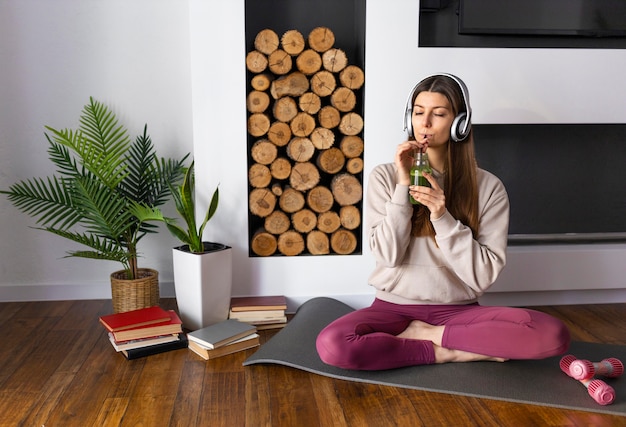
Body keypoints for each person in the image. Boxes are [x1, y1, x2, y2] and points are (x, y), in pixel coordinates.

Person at [316, 73, 570, 370]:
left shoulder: (489, 188)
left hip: (458, 312)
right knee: (333, 344)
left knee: (552, 334)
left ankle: (430, 336)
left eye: (438, 114)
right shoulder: (384, 177)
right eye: (419, 113)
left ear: (460, 124)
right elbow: (387, 256)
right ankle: (450, 351)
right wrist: (402, 187)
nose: (424, 124)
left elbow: (482, 276)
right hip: (392, 308)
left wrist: (442, 216)